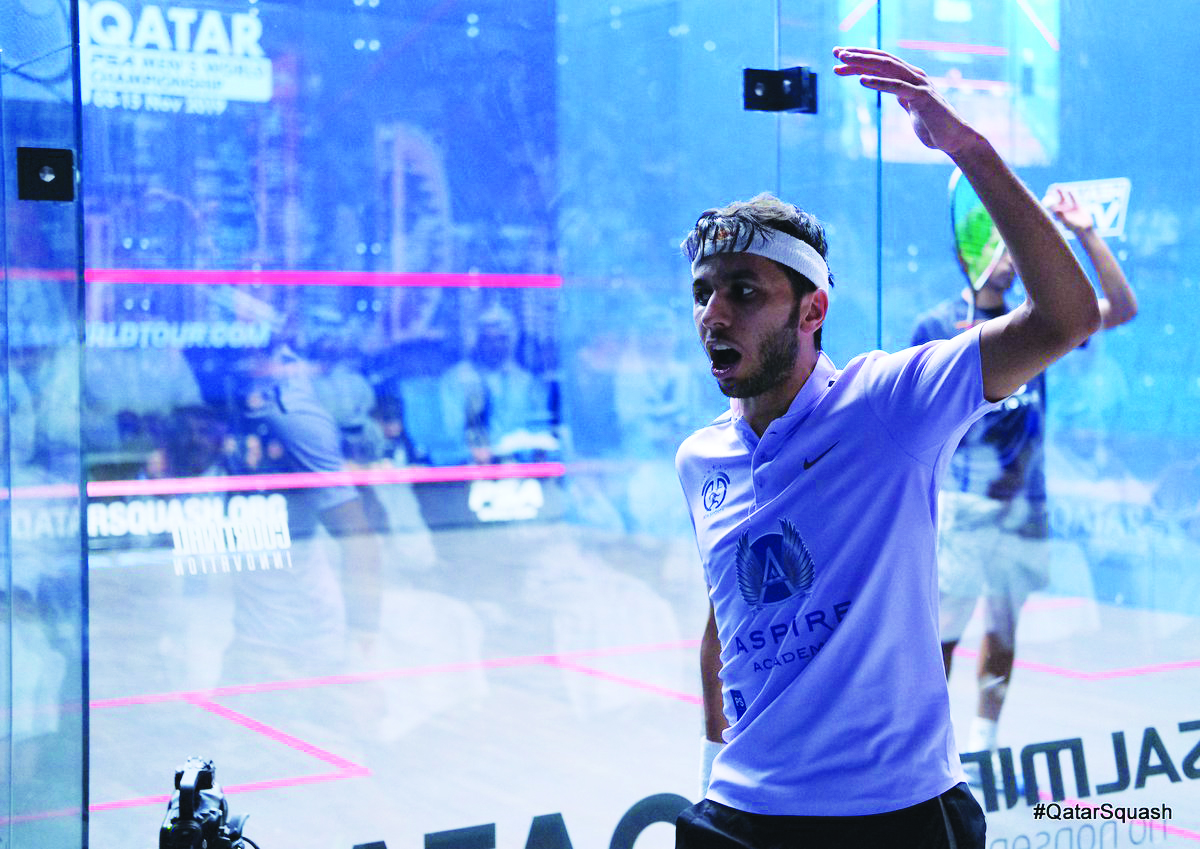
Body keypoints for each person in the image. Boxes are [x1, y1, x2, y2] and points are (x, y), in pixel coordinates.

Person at [672, 46, 1101, 848]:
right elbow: (726, 613)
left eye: (743, 290)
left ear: (812, 310)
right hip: (741, 814)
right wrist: (712, 763)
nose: (713, 313)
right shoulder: (700, 460)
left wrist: (969, 151)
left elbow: (1068, 317)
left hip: (896, 818)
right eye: (703, 291)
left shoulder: (887, 404)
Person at [912, 187, 1137, 765]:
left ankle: (984, 750)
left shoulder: (1038, 321)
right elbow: (914, 423)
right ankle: (930, 749)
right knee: (942, 638)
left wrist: (1086, 231)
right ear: (982, 249)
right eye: (1010, 248)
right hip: (965, 507)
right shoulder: (937, 324)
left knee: (1005, 631)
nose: (1019, 260)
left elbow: (1122, 306)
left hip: (1025, 508)